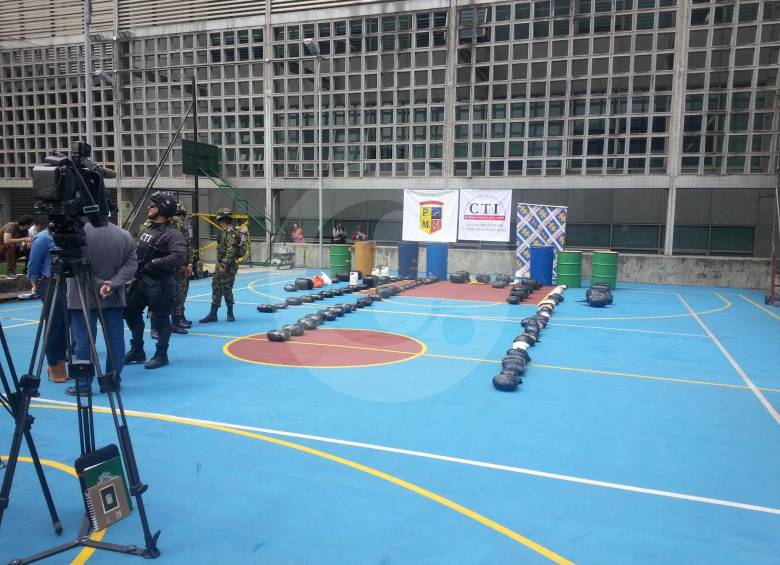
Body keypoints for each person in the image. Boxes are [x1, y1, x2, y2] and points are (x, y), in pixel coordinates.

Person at [65, 220, 138, 396]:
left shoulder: (77, 234)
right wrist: (112, 284)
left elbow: (75, 265)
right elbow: (131, 265)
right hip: (112, 295)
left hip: (81, 295)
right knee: (115, 340)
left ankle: (83, 384)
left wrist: (98, 283)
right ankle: (112, 380)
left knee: (83, 341)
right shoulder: (123, 235)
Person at [124, 192, 186, 370]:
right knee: (130, 312)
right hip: (141, 281)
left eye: (153, 205)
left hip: (160, 283)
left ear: (163, 209)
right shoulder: (148, 229)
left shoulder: (173, 233)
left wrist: (155, 263)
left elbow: (178, 257)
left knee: (160, 318)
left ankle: (161, 355)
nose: (149, 208)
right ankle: (137, 350)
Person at [26, 223, 68, 383]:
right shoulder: (43, 238)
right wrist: (34, 283)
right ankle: (52, 364)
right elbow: (34, 262)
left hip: (68, 282)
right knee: (53, 324)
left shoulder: (69, 235)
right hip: (50, 281)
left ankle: (61, 362)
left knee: (65, 325)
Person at [199, 208, 241, 323]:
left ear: (221, 219)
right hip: (221, 264)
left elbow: (231, 250)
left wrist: (224, 265)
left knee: (227, 288)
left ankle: (230, 313)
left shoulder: (230, 232)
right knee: (216, 287)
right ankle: (213, 314)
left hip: (228, 266)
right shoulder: (225, 232)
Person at [171, 202, 193, 333]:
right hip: (174, 265)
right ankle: (175, 320)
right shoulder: (172, 226)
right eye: (178, 214)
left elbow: (188, 245)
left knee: (181, 292)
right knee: (175, 293)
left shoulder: (182, 227)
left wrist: (189, 264)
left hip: (182, 266)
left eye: (182, 214)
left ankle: (179, 317)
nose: (180, 217)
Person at [0, 214, 34, 279]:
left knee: (30, 248)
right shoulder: (11, 226)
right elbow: (6, 240)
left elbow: (27, 240)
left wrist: (29, 242)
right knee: (10, 245)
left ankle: (27, 269)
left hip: (13, 252)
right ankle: (10, 271)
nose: (31, 226)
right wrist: (24, 239)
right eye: (31, 224)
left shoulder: (25, 230)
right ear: (26, 224)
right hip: (2, 251)